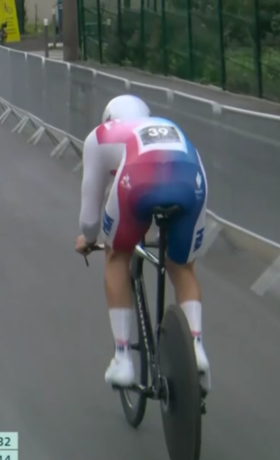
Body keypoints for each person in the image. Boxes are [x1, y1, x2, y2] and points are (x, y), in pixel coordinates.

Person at [75, 95, 211, 391]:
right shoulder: (166, 126)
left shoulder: (100, 136)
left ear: (109, 117)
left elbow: (89, 216)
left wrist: (89, 239)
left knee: (116, 256)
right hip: (191, 180)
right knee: (183, 268)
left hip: (137, 181)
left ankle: (123, 357)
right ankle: (197, 348)